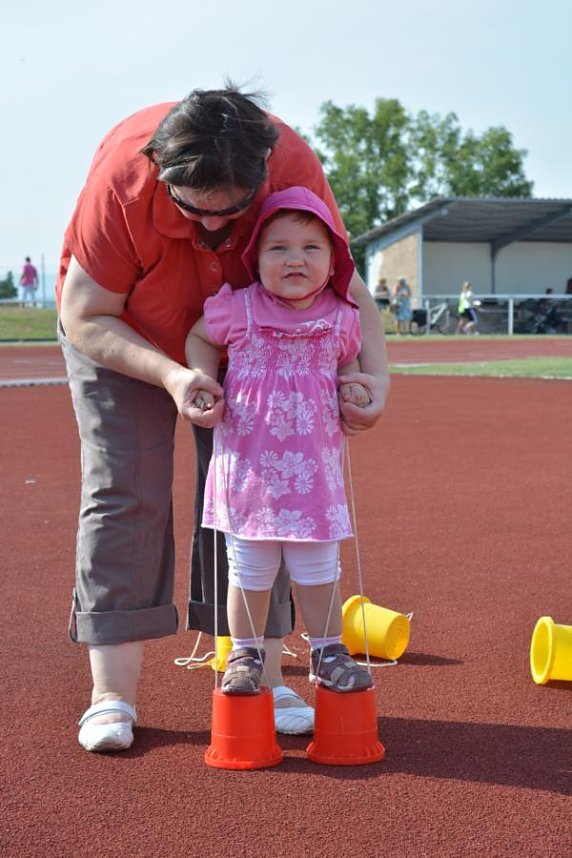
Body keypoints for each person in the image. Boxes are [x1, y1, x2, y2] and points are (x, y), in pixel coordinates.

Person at [57, 84, 389, 753]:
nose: (211, 229)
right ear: (159, 170)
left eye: (231, 213)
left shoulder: (293, 165)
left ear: (264, 176)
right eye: (192, 211)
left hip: (260, 331)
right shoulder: (123, 180)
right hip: (122, 329)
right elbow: (83, 313)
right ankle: (111, 696)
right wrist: (176, 374)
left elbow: (345, 291)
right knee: (127, 487)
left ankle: (263, 674)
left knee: (266, 497)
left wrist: (369, 381)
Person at [186, 187, 373, 698]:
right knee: (250, 568)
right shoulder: (238, 309)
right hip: (249, 473)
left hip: (313, 473)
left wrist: (354, 385)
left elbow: (349, 362)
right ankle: (245, 653)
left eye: (312, 248)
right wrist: (202, 379)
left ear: (333, 259)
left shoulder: (340, 316)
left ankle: (328, 650)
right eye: (279, 248)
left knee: (318, 569)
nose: (296, 259)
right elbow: (200, 338)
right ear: (256, 259)